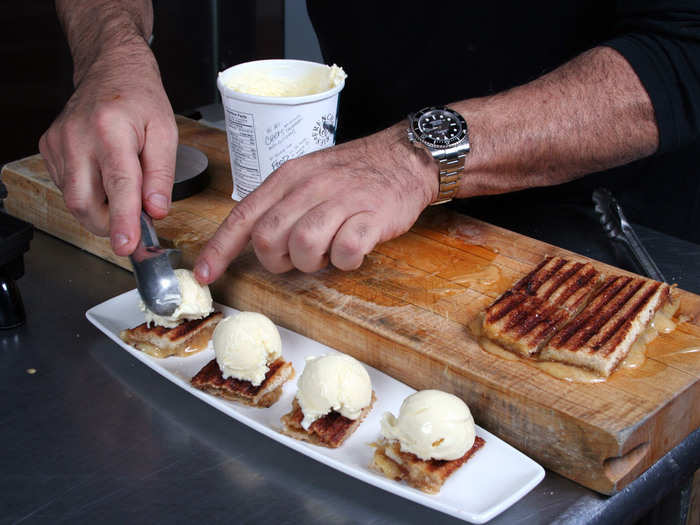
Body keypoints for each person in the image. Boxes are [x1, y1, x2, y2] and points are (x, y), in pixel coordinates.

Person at [40, 1, 700, 287]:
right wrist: (111, 50)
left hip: (617, 238)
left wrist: (417, 154)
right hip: (364, 211)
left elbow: (684, 48)